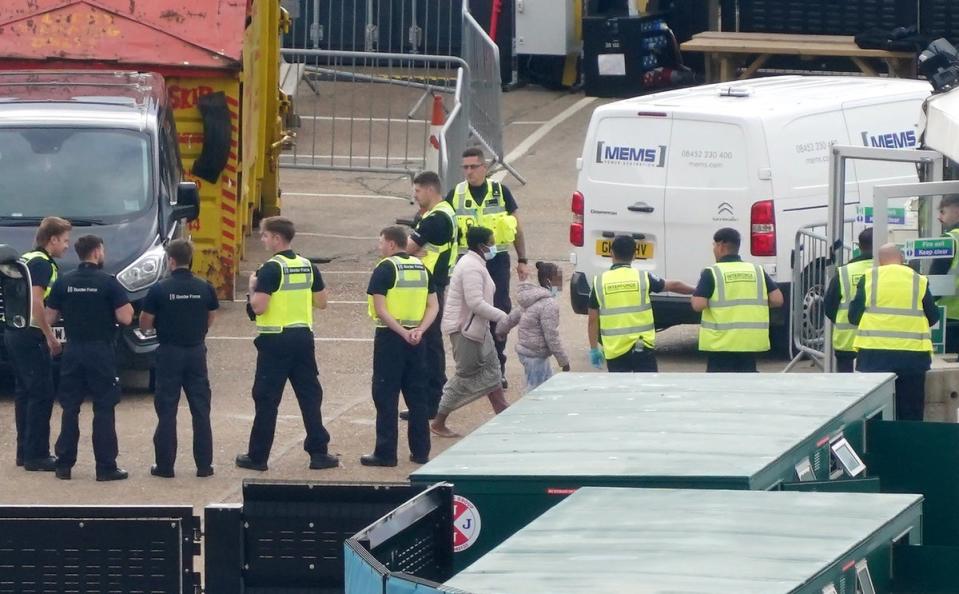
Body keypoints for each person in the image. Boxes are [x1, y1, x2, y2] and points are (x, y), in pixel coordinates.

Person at [236, 216, 339, 472]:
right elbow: (322, 302)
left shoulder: (270, 269)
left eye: (264, 235)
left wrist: (252, 288)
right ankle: (318, 453)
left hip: (275, 341)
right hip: (303, 339)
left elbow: (259, 307)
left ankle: (258, 457)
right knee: (309, 397)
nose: (262, 240)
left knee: (267, 399)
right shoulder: (307, 266)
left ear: (277, 238)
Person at [45, 235, 133, 481]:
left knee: (70, 408)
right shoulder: (109, 283)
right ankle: (105, 467)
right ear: (96, 252)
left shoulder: (65, 282)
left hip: (73, 351)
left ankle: (64, 464)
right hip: (101, 351)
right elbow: (126, 318)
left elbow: (50, 317)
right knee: (104, 407)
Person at [447, 147, 528, 388]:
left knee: (498, 310)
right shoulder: (456, 194)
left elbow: (516, 228)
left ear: (485, 168)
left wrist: (522, 259)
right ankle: (473, 369)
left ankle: (497, 368)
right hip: (468, 261)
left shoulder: (501, 192)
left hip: (496, 260)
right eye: (465, 167)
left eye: (473, 167)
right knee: (469, 314)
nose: (469, 172)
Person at [140, 239, 219, 478]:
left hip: (169, 352)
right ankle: (204, 466)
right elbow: (211, 316)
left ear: (171, 260)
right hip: (195, 351)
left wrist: (154, 329)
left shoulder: (160, 289)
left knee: (167, 410)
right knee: (201, 409)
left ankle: (165, 466)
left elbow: (145, 323)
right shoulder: (204, 287)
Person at [362, 226, 439, 467]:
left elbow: (381, 308)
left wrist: (402, 332)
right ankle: (421, 452)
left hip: (391, 338)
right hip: (418, 338)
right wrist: (419, 330)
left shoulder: (385, 268)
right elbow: (433, 306)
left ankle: (386, 453)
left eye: (381, 241)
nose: (379, 246)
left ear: (392, 244)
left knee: (385, 395)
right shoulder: (422, 268)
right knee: (417, 397)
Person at [4, 216, 71, 471]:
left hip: (13, 330)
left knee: (25, 393)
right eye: (64, 240)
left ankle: (24, 452)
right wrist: (50, 335)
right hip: (30, 334)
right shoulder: (43, 264)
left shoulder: (26, 258)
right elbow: (36, 302)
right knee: (42, 394)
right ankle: (37, 455)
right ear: (52, 239)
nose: (67, 246)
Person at [431, 226, 510, 437]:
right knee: (465, 376)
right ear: (481, 245)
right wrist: (503, 316)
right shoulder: (471, 267)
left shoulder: (477, 264)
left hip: (478, 328)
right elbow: (475, 303)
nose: (494, 245)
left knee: (493, 370)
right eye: (491, 242)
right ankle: (438, 421)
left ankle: (504, 413)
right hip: (465, 330)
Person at [850, 243, 938, 421]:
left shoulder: (869, 278)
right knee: (910, 412)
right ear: (902, 259)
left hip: (873, 356)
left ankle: (877, 447)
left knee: (875, 412)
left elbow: (853, 316)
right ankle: (909, 446)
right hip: (913, 356)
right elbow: (933, 316)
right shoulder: (918, 279)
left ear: (880, 262)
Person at [587, 235, 695, 372]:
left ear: (611, 254)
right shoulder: (643, 278)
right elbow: (675, 285)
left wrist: (594, 349)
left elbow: (592, 320)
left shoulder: (599, 283)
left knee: (622, 391)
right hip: (642, 347)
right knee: (647, 390)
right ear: (634, 255)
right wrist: (698, 290)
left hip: (615, 350)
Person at [400, 171, 457, 421]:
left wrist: (408, 253)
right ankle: (426, 401)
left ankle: (431, 403)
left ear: (430, 190)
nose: (415, 196)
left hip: (430, 284)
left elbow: (403, 251)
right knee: (429, 344)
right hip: (431, 283)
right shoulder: (440, 212)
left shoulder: (436, 219)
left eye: (418, 191)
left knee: (429, 346)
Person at [692, 227, 784, 372]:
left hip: (720, 344)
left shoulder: (712, 272)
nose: (714, 249)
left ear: (721, 245)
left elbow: (698, 304)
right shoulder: (756, 270)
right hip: (749, 342)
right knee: (746, 388)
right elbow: (777, 300)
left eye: (714, 246)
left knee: (720, 389)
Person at [496, 261, 571, 392]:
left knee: (544, 386)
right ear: (549, 281)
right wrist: (563, 361)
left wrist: (501, 330)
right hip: (536, 354)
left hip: (527, 352)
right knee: (535, 392)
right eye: (559, 281)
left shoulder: (531, 298)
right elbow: (551, 335)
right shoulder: (549, 304)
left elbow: (512, 317)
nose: (561, 286)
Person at [824, 227, 873, 372]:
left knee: (847, 388)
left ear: (859, 247)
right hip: (878, 344)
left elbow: (829, 307)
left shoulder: (844, 272)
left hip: (847, 343)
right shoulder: (887, 269)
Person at [930, 194, 959, 353]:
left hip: (950, 317)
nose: (939, 217)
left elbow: (935, 284)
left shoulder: (950, 240)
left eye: (943, 212)